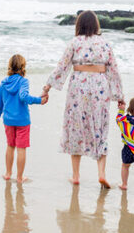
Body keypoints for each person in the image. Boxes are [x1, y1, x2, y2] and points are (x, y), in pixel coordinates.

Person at [41, 10, 124, 188]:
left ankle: (76, 176)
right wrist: (119, 97)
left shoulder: (75, 42)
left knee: (76, 127)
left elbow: (62, 67)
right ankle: (101, 174)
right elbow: (114, 71)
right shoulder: (105, 43)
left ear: (79, 25)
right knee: (100, 128)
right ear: (96, 25)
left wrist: (47, 87)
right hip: (100, 87)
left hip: (78, 86)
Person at [0, 54, 47, 183]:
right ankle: (20, 177)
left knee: (10, 146)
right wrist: (40, 101)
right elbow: (23, 96)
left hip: (8, 120)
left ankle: (8, 173)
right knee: (21, 148)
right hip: (22, 121)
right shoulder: (23, 81)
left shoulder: (4, 83)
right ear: (23, 66)